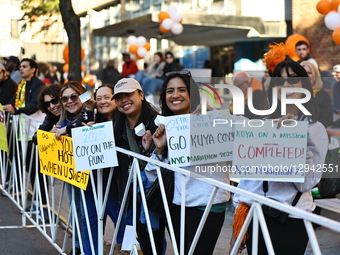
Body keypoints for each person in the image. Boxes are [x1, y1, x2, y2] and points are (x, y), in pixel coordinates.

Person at [231, 56, 328, 255]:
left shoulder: (314, 129)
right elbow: (248, 176)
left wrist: (296, 139)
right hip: (256, 215)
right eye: (279, 80)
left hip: (292, 218)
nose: (285, 84)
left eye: (292, 79)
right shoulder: (262, 123)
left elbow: (307, 183)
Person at [145, 71, 230, 255]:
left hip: (208, 204)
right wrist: (159, 150)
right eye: (170, 91)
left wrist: (212, 119)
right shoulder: (165, 126)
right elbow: (152, 176)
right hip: (177, 206)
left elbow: (241, 134)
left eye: (181, 90)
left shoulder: (212, 118)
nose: (175, 95)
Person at [112, 78, 162, 255]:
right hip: (134, 196)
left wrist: (151, 149)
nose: (123, 100)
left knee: (158, 241)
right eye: (119, 97)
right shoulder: (116, 127)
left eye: (128, 94)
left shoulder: (159, 123)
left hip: (159, 195)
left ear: (141, 95)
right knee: (146, 244)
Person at [81, 84, 126, 255]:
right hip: (93, 181)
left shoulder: (123, 119)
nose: (102, 102)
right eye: (98, 98)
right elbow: (78, 127)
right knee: (90, 221)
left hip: (114, 184)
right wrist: (88, 109)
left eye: (107, 97)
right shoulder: (93, 118)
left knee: (121, 223)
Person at [55, 81, 95, 255]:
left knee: (87, 214)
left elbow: (88, 126)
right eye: (64, 98)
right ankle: (79, 246)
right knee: (76, 209)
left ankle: (86, 248)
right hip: (73, 174)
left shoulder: (89, 112)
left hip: (93, 177)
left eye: (73, 96)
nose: (69, 101)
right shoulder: (64, 119)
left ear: (82, 96)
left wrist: (67, 130)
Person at [3, 58, 45, 197]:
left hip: (34, 131)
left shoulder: (38, 85)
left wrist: (16, 110)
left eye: (25, 66)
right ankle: (30, 196)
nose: (21, 69)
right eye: (20, 66)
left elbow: (34, 105)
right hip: (22, 130)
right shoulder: (22, 84)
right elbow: (14, 101)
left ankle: (41, 202)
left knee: (35, 168)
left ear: (33, 69)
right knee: (26, 163)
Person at [301, 61, 333, 128]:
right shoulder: (292, 94)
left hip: (315, 133)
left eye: (309, 73)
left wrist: (309, 127)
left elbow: (327, 119)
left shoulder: (323, 95)